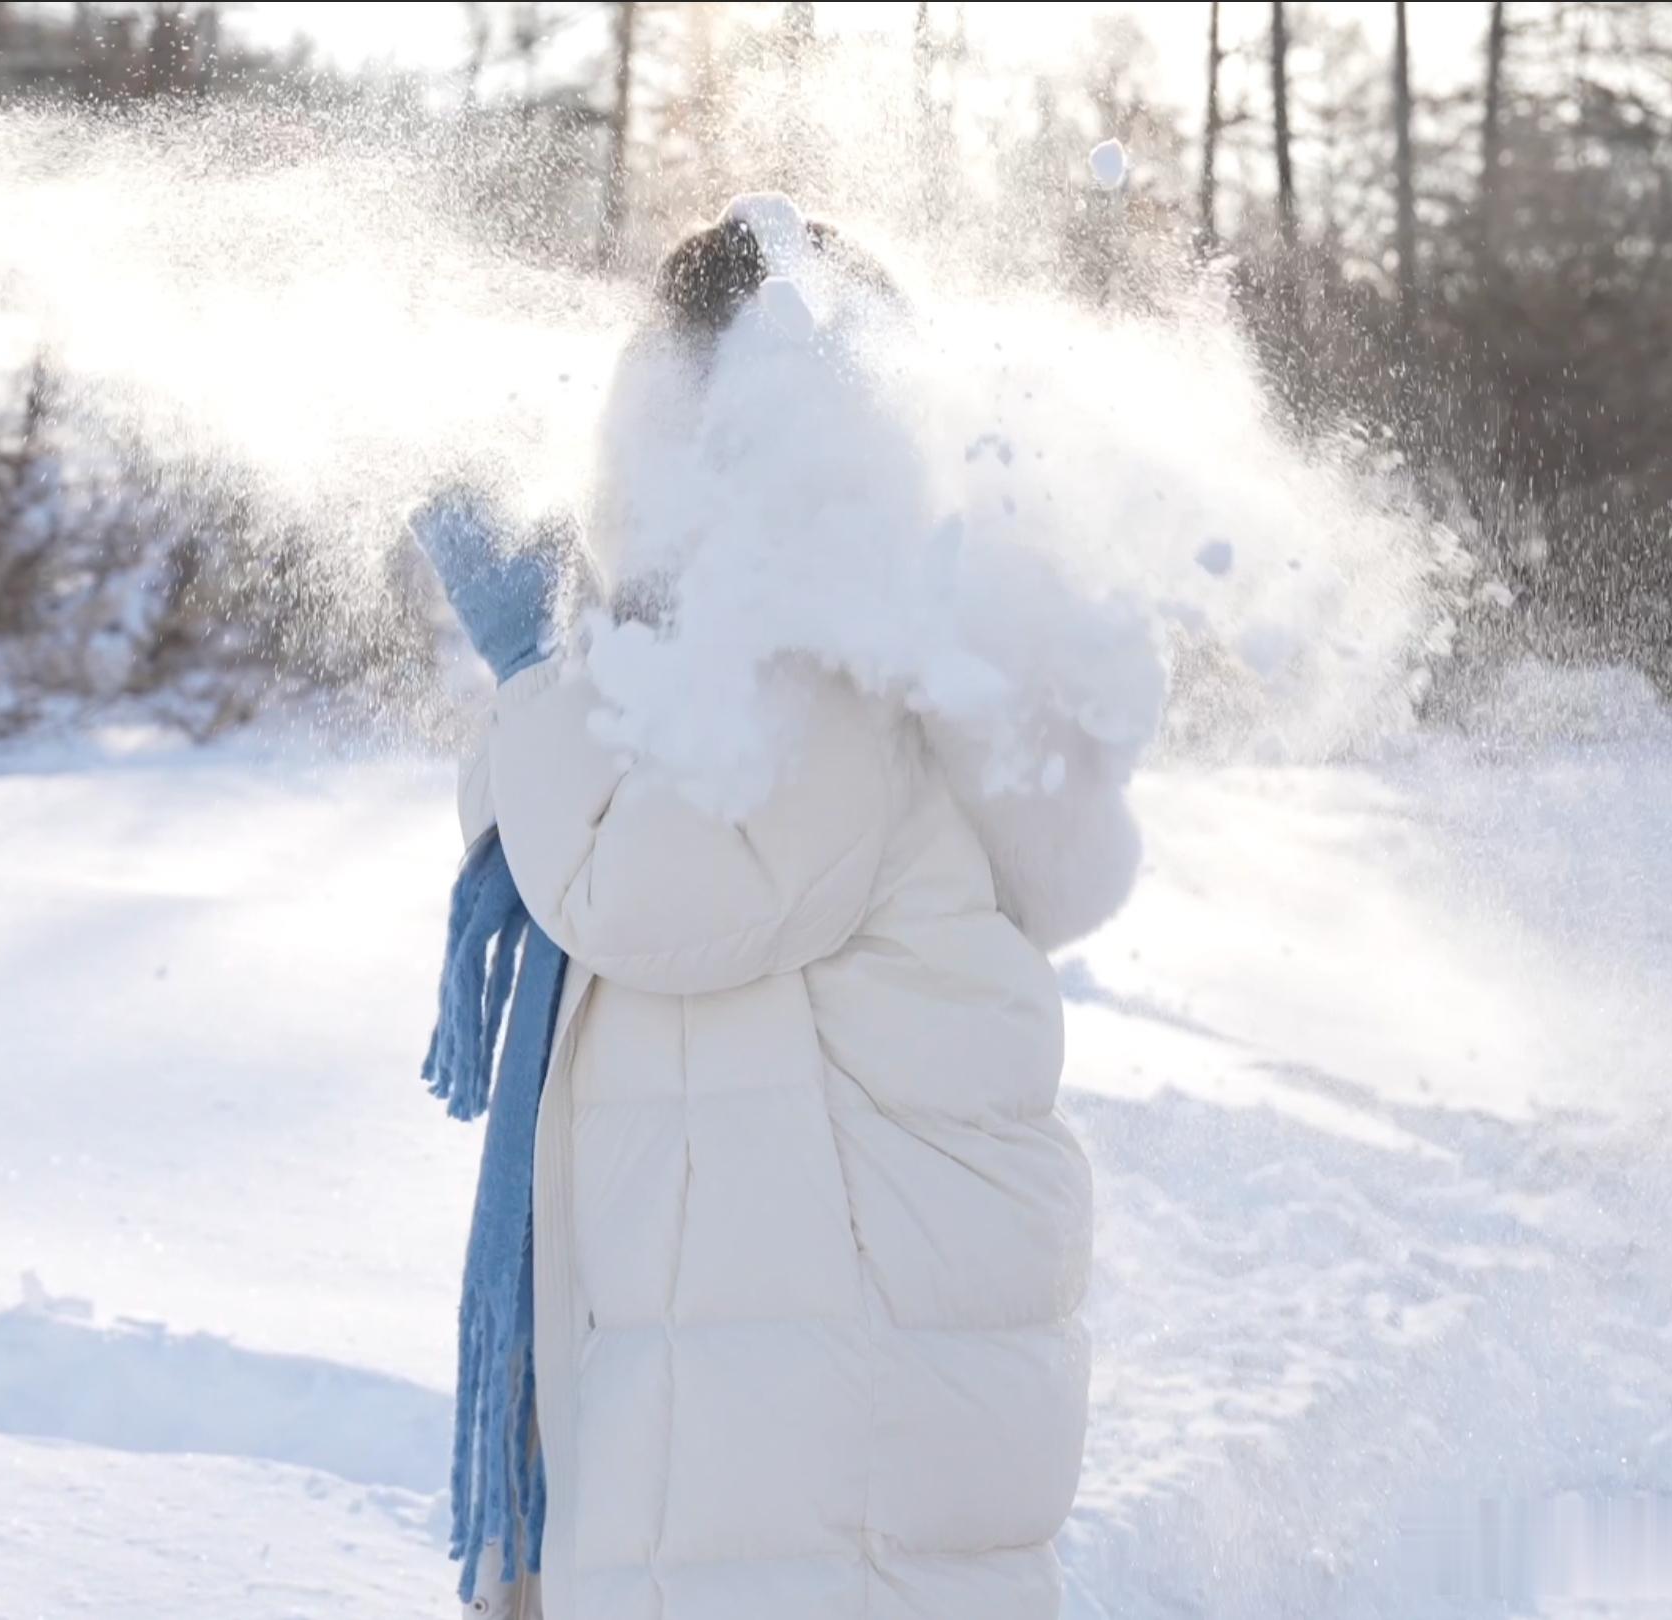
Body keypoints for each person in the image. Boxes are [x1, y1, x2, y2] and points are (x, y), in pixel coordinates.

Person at [413, 199, 1141, 1620]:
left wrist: (537, 667)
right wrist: (564, 681)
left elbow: (635, 887)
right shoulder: (764, 671)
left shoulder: (816, 673)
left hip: (823, 1469)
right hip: (791, 1437)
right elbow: (591, 845)